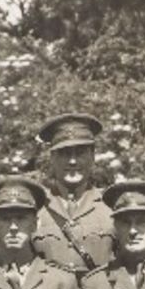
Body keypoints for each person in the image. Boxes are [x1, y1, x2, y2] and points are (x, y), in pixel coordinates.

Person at [31, 113, 115, 275]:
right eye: (64, 153)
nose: (72, 161)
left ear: (93, 156)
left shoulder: (111, 206)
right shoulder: (36, 208)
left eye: (80, 153)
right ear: (52, 158)